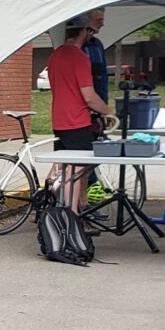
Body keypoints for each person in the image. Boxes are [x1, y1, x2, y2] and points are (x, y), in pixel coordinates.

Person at [45, 20, 110, 214]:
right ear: (85, 31)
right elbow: (89, 96)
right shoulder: (80, 58)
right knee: (78, 171)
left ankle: (56, 210)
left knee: (64, 168)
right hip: (77, 121)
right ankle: (73, 216)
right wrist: (109, 111)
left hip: (59, 119)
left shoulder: (54, 56)